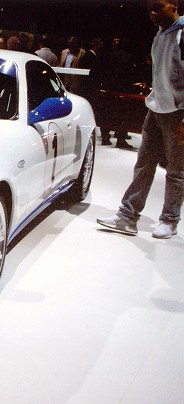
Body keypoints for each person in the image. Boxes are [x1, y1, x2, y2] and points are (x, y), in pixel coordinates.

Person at [97, 0, 184, 239]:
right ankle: (127, 217)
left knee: (176, 172)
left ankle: (169, 220)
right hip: (155, 110)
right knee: (144, 165)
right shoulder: (160, 35)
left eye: (158, 7)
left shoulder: (182, 34)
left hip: (178, 114)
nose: (153, 13)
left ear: (175, 4)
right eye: (149, 9)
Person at [98, 35, 134, 148]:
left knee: (109, 113)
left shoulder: (106, 56)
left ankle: (107, 137)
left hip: (112, 89)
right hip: (117, 90)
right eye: (115, 41)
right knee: (119, 114)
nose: (116, 43)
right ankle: (119, 139)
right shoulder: (126, 57)